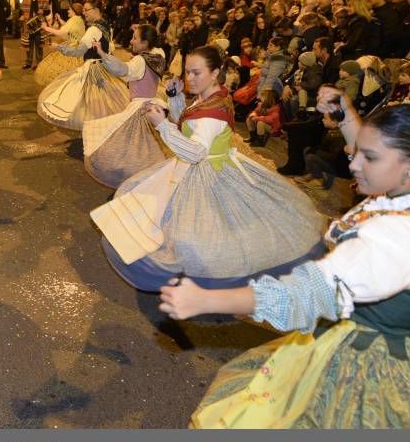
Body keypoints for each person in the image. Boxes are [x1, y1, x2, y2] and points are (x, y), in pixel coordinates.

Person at [163, 98, 410, 428]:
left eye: (369, 157)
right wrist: (345, 113)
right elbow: (378, 148)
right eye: (357, 151)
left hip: (369, 359)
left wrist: (208, 299)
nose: (353, 164)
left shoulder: (401, 237)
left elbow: (308, 292)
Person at [91, 45, 323, 290]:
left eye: (196, 73)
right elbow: (188, 122)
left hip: (209, 172)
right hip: (202, 164)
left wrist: (161, 125)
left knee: (196, 230)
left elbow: (194, 151)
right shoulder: (214, 96)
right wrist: (175, 99)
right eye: (188, 72)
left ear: (214, 73)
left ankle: (194, 277)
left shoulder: (212, 112)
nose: (189, 78)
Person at [82, 24, 169, 188]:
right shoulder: (159, 55)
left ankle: (137, 181)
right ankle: (151, 179)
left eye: (135, 38)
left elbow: (122, 69)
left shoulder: (140, 60)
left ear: (145, 42)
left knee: (128, 149)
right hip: (155, 104)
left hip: (140, 109)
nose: (131, 41)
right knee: (151, 147)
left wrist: (102, 53)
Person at [37, 0, 130, 130]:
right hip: (104, 65)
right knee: (104, 98)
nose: (84, 13)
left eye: (87, 10)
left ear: (96, 10)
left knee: (87, 99)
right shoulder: (105, 25)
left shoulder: (93, 29)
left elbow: (77, 51)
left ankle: (94, 125)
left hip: (93, 67)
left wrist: (58, 47)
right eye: (84, 10)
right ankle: (101, 123)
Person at [35, 3, 86, 86]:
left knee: (60, 70)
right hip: (75, 46)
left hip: (73, 48)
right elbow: (67, 26)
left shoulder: (74, 19)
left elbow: (60, 32)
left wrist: (45, 28)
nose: (68, 11)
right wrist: (59, 19)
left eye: (70, 9)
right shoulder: (77, 19)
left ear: (74, 11)